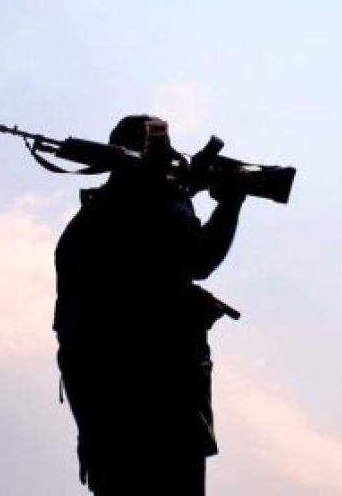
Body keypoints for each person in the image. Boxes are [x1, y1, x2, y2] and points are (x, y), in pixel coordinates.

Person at [54, 115, 245, 496]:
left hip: (109, 416)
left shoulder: (92, 218)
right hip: (162, 403)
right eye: (165, 153)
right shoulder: (152, 207)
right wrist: (230, 203)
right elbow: (200, 259)